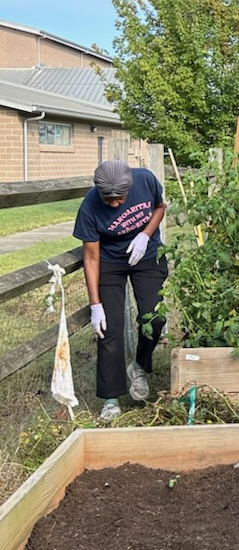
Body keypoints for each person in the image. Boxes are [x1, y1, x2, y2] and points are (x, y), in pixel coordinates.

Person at [73, 160, 168, 421]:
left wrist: (146, 234)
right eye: (109, 200)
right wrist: (95, 305)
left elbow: (160, 207)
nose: (115, 204)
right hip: (110, 262)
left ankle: (139, 365)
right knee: (109, 328)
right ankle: (111, 399)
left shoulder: (146, 180)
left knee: (154, 317)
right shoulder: (90, 208)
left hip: (146, 254)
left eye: (120, 199)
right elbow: (91, 258)